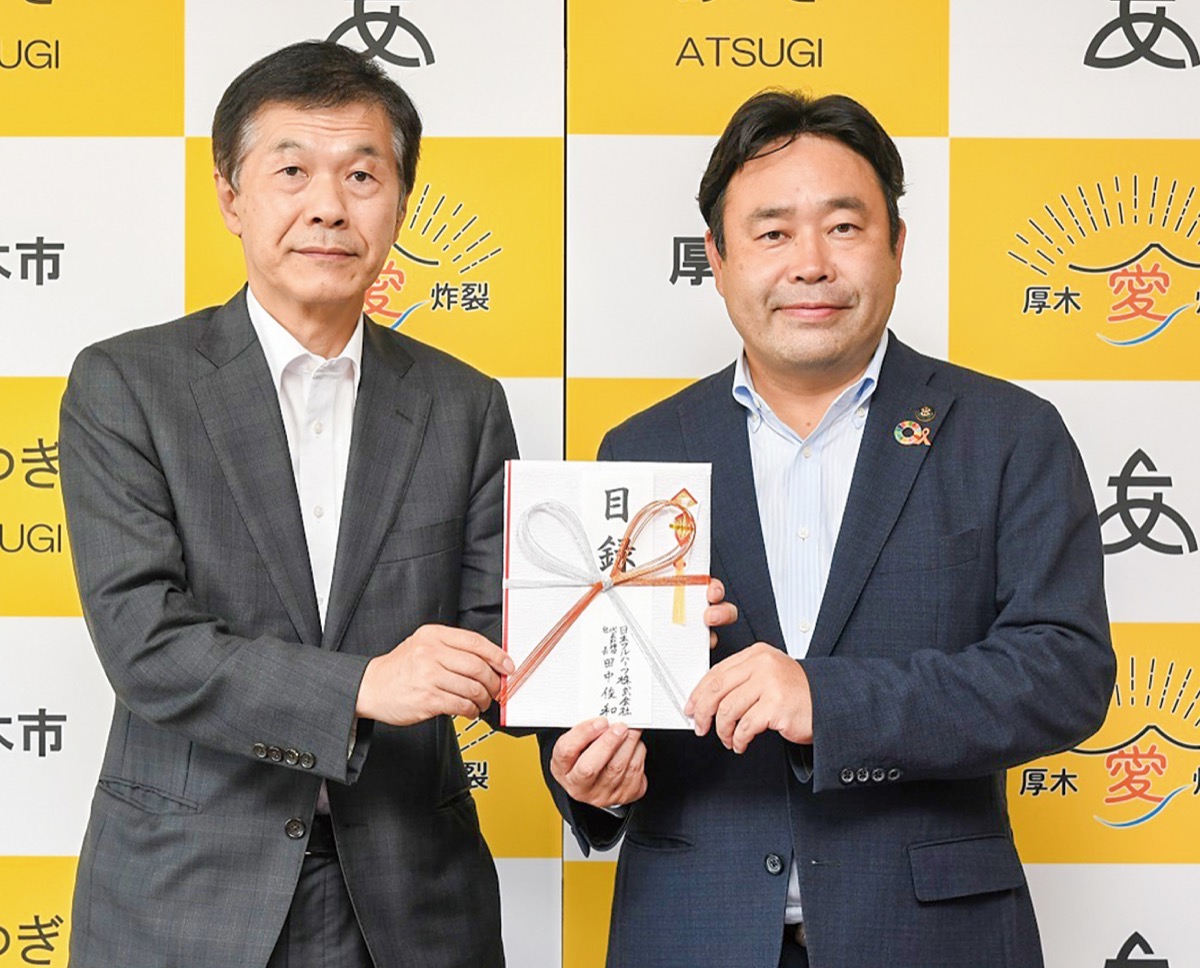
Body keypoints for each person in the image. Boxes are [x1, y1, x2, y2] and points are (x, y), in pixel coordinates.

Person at [540, 91, 1116, 968]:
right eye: (772, 233)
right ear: (717, 259)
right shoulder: (641, 451)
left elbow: (1064, 673)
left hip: (933, 937)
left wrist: (827, 699)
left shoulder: (1008, 434)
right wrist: (595, 779)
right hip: (692, 933)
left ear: (897, 246)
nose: (810, 264)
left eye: (844, 227)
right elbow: (597, 687)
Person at [59, 41, 518, 968]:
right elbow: (146, 644)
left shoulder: (464, 404)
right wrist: (362, 686)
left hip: (412, 900)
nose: (328, 206)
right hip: (182, 899)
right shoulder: (127, 386)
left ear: (399, 202)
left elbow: (503, 639)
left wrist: (623, 645)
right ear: (231, 196)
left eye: (362, 174)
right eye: (292, 171)